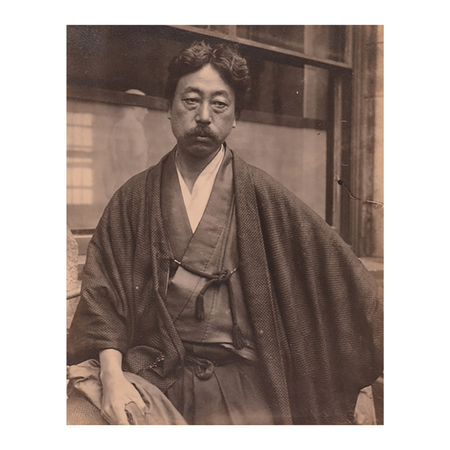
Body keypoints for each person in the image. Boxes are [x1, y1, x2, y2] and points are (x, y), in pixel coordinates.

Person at [67, 40, 383, 425]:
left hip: (246, 385)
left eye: (219, 104)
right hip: (155, 376)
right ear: (168, 108)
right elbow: (103, 302)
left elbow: (345, 279)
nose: (204, 116)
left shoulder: (265, 196)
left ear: (235, 117)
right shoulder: (133, 198)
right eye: (190, 100)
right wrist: (113, 379)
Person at [103, 89, 149, 198]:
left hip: (119, 185)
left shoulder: (117, 127)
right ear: (134, 106)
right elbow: (138, 154)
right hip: (133, 187)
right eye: (144, 107)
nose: (146, 112)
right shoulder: (135, 126)